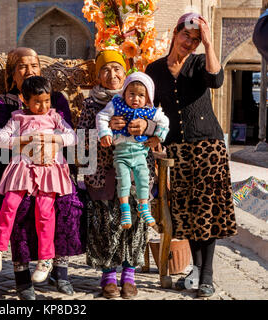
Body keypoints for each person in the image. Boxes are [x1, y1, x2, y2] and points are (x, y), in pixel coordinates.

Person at [0, 47, 84, 300]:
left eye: (34, 66)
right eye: (22, 67)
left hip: (51, 171)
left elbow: (69, 135)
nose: (29, 71)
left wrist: (51, 143)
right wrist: (25, 142)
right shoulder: (7, 106)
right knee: (15, 204)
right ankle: (20, 274)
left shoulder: (54, 104)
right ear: (12, 74)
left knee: (60, 205)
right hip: (16, 170)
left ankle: (57, 268)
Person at [145, 13, 237, 298]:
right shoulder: (155, 69)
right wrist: (154, 138)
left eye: (195, 40)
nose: (190, 43)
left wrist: (209, 45)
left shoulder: (199, 62)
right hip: (177, 151)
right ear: (175, 33)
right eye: (187, 36)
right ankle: (196, 275)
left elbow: (216, 79)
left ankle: (206, 276)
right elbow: (152, 111)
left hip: (208, 148)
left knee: (207, 213)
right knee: (188, 214)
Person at [77, 50, 158, 299]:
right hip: (102, 174)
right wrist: (104, 130)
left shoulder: (139, 98)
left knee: (134, 221)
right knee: (106, 222)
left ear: (125, 72)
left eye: (117, 69)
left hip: (136, 174)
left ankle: (129, 274)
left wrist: (146, 126)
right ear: (98, 76)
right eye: (106, 70)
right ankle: (108, 275)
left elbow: (158, 129)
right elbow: (80, 141)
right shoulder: (92, 104)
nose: (112, 75)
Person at [96, 72, 169, 229]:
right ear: (124, 93)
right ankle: (125, 211)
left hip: (140, 153)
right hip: (120, 154)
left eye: (141, 95)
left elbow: (164, 121)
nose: (136, 99)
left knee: (143, 178)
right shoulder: (116, 104)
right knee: (124, 180)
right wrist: (105, 132)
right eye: (132, 94)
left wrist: (157, 136)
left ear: (148, 97)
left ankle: (143, 208)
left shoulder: (149, 111)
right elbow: (100, 118)